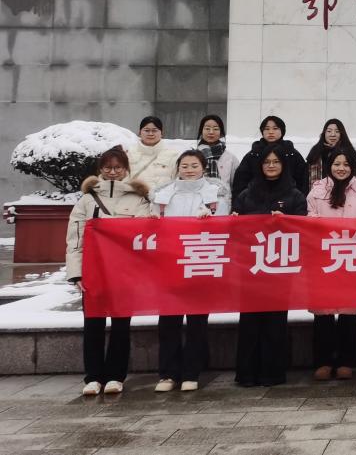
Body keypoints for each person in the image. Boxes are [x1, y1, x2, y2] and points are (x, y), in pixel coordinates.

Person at [65, 146, 152, 396]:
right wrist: (76, 273)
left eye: (118, 168)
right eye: (107, 168)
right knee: (93, 323)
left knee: (121, 325)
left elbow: (142, 233)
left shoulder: (139, 199)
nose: (113, 172)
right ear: (100, 170)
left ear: (126, 169)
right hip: (93, 271)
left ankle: (116, 376)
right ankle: (93, 377)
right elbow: (75, 238)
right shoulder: (86, 200)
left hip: (124, 272)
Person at [151, 150, 227, 393]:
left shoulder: (216, 192)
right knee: (168, 321)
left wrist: (211, 219)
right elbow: (153, 223)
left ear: (203, 167)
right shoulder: (163, 193)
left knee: (197, 322)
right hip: (170, 262)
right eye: (184, 165)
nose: (189, 170)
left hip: (200, 261)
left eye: (194, 165)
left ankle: (191, 372)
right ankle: (167, 373)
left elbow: (225, 223)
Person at [231, 145, 307, 387]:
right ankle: (247, 374)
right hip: (251, 267)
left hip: (279, 268)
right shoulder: (246, 194)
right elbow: (235, 228)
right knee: (249, 321)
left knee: (275, 322)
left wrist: (287, 222)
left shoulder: (295, 195)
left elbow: (304, 229)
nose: (271, 166)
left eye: (276, 162)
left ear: (284, 165)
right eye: (266, 162)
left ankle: (272, 373)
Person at [306, 147, 356, 380]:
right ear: (329, 166)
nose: (341, 168)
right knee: (323, 314)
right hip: (323, 257)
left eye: (346, 164)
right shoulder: (317, 191)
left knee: (348, 314)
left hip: (351, 256)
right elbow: (309, 219)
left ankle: (346, 361)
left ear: (353, 167)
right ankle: (323, 361)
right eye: (337, 164)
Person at [232, 116, 309, 199]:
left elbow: (303, 181)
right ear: (262, 131)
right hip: (257, 200)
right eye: (267, 129)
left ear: (282, 131)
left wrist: (299, 200)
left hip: (288, 200)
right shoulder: (253, 154)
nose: (271, 132)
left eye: (275, 128)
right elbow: (240, 183)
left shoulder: (292, 154)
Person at [127, 116, 178, 193]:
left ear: (162, 133)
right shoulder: (129, 154)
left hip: (162, 199)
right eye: (146, 130)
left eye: (154, 130)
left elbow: (177, 182)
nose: (150, 134)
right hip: (135, 198)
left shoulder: (173, 155)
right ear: (140, 133)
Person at [195, 114, 239, 190]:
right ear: (201, 131)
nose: (211, 132)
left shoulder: (230, 158)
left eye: (215, 129)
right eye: (207, 128)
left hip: (223, 196)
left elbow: (237, 186)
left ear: (221, 132)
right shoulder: (193, 156)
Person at [306, 119, 354, 185]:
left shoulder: (349, 152)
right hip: (318, 189)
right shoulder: (315, 151)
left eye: (337, 131)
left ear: (342, 134)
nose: (333, 134)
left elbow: (355, 176)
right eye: (329, 131)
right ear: (324, 133)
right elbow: (306, 176)